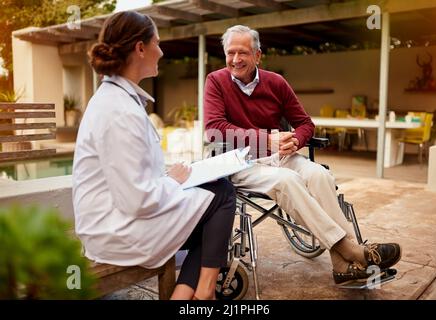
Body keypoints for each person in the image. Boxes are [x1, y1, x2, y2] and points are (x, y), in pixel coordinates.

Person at [204, 25, 401, 284]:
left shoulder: (276, 83)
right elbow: (214, 129)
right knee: (288, 181)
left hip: (281, 157)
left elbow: (305, 123)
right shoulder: (216, 81)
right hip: (240, 161)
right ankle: (352, 250)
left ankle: (341, 266)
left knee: (319, 175)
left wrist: (296, 140)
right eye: (231, 53)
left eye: (243, 52)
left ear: (258, 56)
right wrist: (266, 140)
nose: (236, 59)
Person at [72, 11, 236, 300]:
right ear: (140, 48)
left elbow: (134, 177)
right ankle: (204, 295)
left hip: (118, 222)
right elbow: (138, 200)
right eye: (157, 44)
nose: (161, 51)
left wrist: (176, 177)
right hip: (118, 233)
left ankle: (186, 297)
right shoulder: (117, 110)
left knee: (211, 201)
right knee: (221, 194)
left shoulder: (118, 100)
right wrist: (173, 181)